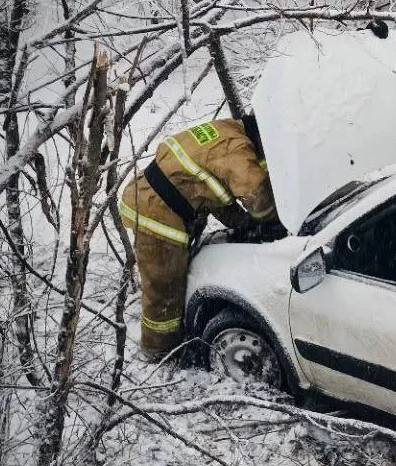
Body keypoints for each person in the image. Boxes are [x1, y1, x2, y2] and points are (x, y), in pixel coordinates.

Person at [119, 114, 280, 360]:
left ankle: (175, 335)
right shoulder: (236, 147)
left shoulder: (228, 130)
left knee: (173, 279)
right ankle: (160, 352)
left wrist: (243, 223)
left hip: (156, 199)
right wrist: (273, 221)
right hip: (155, 211)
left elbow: (213, 190)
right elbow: (256, 193)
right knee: (165, 288)